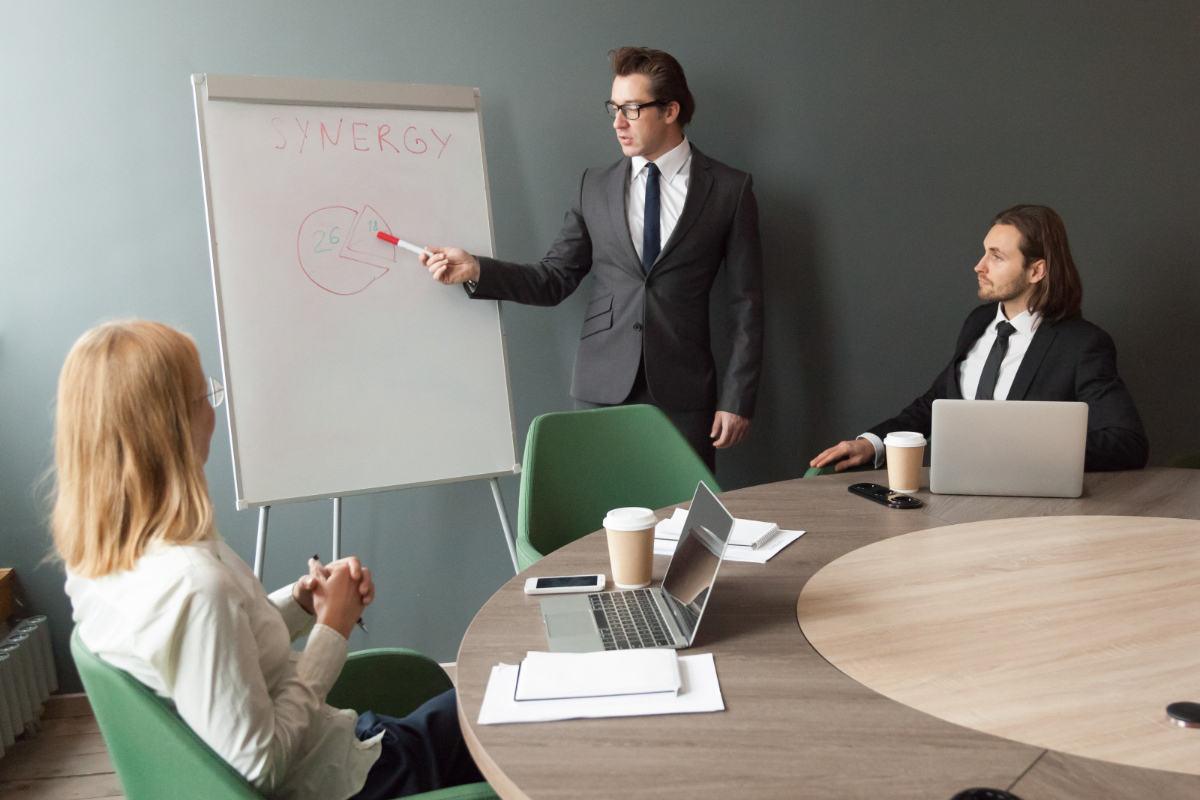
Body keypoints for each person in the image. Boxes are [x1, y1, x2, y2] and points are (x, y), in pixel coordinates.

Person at [52, 320, 484, 800]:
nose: (212, 411)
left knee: (479, 702)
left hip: (344, 753)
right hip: (350, 783)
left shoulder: (101, 564)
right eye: (204, 396)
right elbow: (260, 765)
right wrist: (332, 631)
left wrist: (301, 604)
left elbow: (216, 650)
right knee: (504, 707)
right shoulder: (196, 585)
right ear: (171, 428)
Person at [421, 47, 764, 473]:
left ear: (670, 110)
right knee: (603, 512)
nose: (618, 122)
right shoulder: (594, 186)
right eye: (614, 108)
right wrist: (477, 269)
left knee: (683, 514)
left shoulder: (729, 190)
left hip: (685, 394)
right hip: (601, 389)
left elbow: (746, 305)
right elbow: (554, 278)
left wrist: (737, 399)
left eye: (631, 109)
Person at [811, 204, 1148, 474]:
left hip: (1032, 515)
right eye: (984, 252)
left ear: (1036, 271)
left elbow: (1127, 443)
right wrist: (873, 443)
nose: (979, 266)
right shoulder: (978, 322)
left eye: (996, 257)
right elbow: (936, 402)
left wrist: (1025, 451)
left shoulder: (1083, 345)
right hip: (949, 498)